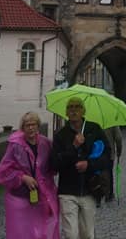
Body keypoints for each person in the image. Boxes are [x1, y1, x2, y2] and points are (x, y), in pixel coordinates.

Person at [50, 97, 109, 239]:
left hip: (90, 189)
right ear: (66, 112)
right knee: (71, 234)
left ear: (83, 110)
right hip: (68, 191)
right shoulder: (61, 135)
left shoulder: (94, 129)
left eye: (77, 107)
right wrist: (74, 146)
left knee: (87, 234)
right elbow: (55, 164)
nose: (74, 110)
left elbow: (107, 156)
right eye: (70, 107)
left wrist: (89, 164)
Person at [0, 112, 59, 239]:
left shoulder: (46, 143)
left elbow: (52, 167)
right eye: (27, 125)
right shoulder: (15, 145)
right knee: (22, 232)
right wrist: (22, 177)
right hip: (20, 196)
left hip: (42, 195)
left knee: (43, 230)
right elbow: (2, 171)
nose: (31, 128)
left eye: (33, 124)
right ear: (22, 128)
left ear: (38, 126)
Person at [102, 125, 123, 203]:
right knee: (108, 172)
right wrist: (119, 150)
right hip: (109, 152)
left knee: (97, 172)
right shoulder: (112, 123)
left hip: (96, 152)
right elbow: (118, 137)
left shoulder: (93, 121)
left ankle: (98, 194)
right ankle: (109, 194)